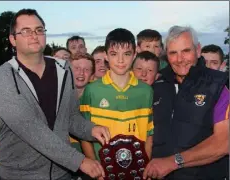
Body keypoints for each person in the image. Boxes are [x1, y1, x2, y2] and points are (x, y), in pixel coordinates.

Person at [0, 9, 111, 180]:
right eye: (26, 31)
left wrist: (90, 129)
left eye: (39, 30)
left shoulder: (64, 70)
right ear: (13, 39)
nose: (34, 35)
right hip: (20, 176)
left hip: (62, 174)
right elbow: (31, 129)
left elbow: (70, 117)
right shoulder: (1, 78)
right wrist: (79, 161)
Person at [143, 25, 229, 180]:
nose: (180, 59)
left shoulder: (219, 85)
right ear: (166, 55)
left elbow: (223, 143)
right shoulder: (157, 84)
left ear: (197, 50)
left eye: (186, 51)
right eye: (173, 53)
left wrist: (172, 162)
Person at [81, 28, 154, 162]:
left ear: (134, 55)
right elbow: (83, 134)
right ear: (106, 56)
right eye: (114, 54)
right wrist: (95, 170)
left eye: (126, 54)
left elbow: (150, 135)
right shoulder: (91, 90)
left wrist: (145, 167)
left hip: (136, 170)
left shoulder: (146, 91)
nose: (120, 60)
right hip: (103, 169)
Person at [69, 53, 95, 180]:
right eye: (77, 68)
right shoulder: (58, 98)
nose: (81, 73)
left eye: (86, 70)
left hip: (91, 163)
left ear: (92, 76)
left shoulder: (96, 100)